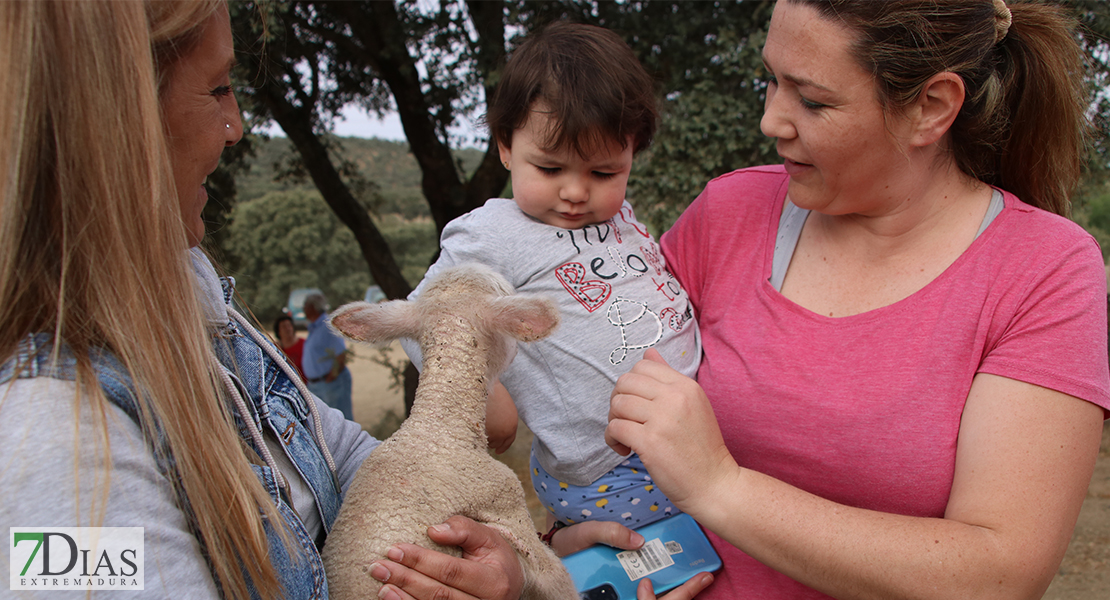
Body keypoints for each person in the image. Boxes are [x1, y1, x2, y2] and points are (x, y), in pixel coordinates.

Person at [0, 3, 593, 599]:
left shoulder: (205, 317)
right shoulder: (52, 443)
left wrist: (499, 560)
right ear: (112, 116)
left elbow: (353, 462)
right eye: (217, 88)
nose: (235, 126)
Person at [605, 1, 1110, 599]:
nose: (771, 121)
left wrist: (721, 488)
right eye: (771, 80)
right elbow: (600, 398)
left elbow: (999, 574)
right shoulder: (726, 214)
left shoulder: (1043, 269)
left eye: (812, 100)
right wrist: (566, 542)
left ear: (931, 107)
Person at [402, 21, 701, 532]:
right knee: (666, 565)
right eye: (549, 168)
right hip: (611, 469)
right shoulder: (493, 231)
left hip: (684, 433)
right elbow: (419, 315)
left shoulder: (620, 216)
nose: (576, 192)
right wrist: (484, 392)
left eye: (603, 173)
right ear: (505, 147)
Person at [303, 292, 355, 421]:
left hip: (330, 383)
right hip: (317, 385)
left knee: (340, 421)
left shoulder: (327, 325)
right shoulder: (315, 327)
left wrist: (332, 376)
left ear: (313, 307)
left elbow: (340, 353)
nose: (303, 309)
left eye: (305, 305)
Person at [275, 314, 306, 380]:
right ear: (278, 331)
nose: (287, 329)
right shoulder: (275, 349)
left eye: (289, 325)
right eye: (284, 327)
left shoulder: (305, 344)